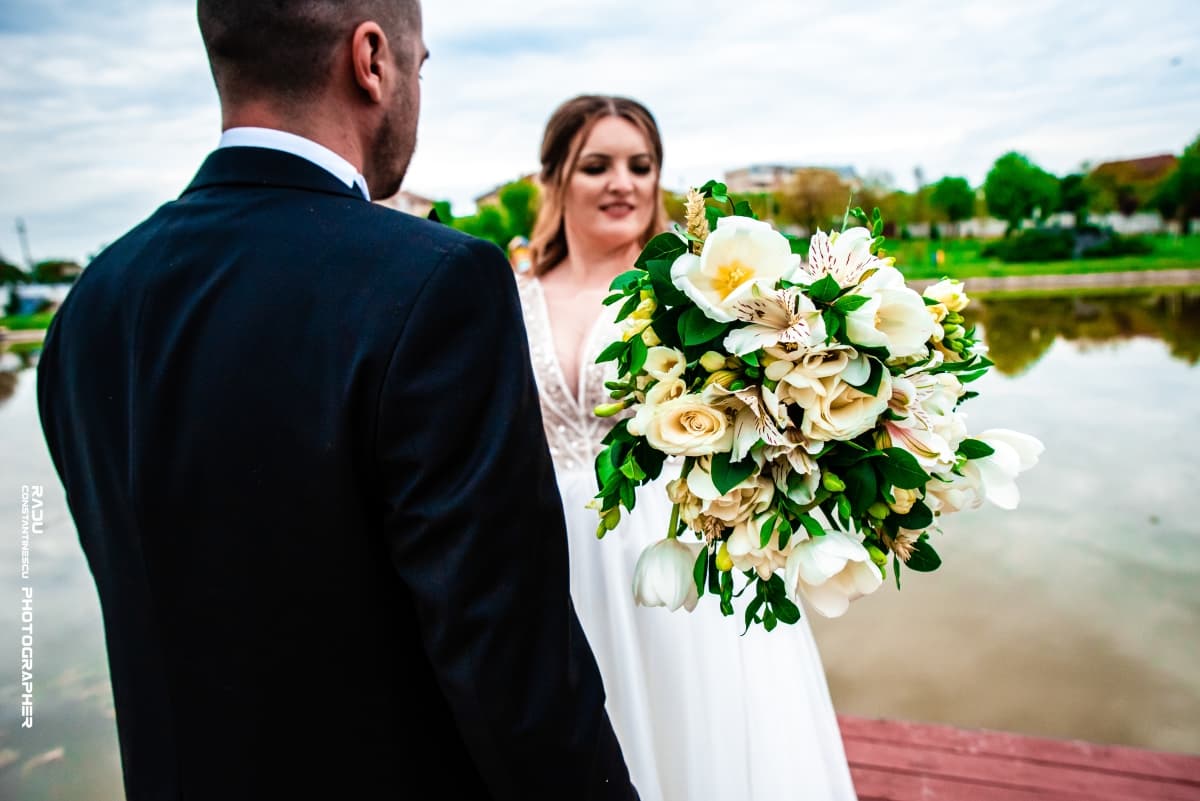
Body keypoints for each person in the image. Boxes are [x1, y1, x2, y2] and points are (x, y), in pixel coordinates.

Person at [35, 4, 638, 800]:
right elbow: (514, 668)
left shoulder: (89, 308)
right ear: (371, 59)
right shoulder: (435, 285)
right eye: (419, 66)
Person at [517, 94, 860, 801]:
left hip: (676, 552)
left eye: (641, 165)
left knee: (697, 741)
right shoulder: (510, 295)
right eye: (597, 165)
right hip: (552, 561)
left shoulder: (692, 294)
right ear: (554, 179)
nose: (624, 182)